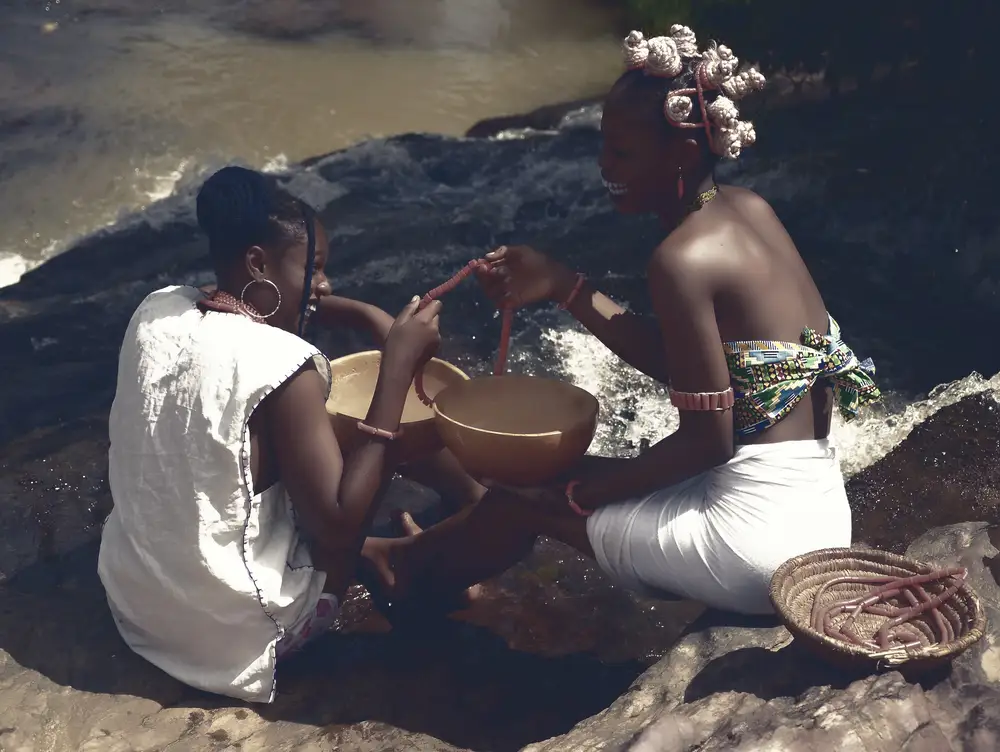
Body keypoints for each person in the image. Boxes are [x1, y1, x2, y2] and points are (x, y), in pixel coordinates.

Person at [365, 27, 882, 617]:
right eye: (603, 146)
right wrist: (565, 286)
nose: (604, 166)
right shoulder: (749, 210)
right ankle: (422, 558)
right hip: (815, 513)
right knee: (551, 478)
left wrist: (585, 494)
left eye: (622, 153)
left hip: (753, 546)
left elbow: (708, 441)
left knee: (523, 493)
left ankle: (400, 573)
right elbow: (686, 364)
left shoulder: (681, 259)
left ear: (682, 154)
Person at [97, 165, 484, 703]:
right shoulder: (284, 363)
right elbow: (338, 529)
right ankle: (417, 550)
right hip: (236, 641)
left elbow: (256, 305)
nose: (324, 285)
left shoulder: (159, 308)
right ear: (257, 261)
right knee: (369, 431)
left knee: (298, 437)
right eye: (317, 268)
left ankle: (400, 540)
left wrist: (359, 311)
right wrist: (395, 368)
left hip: (136, 605)